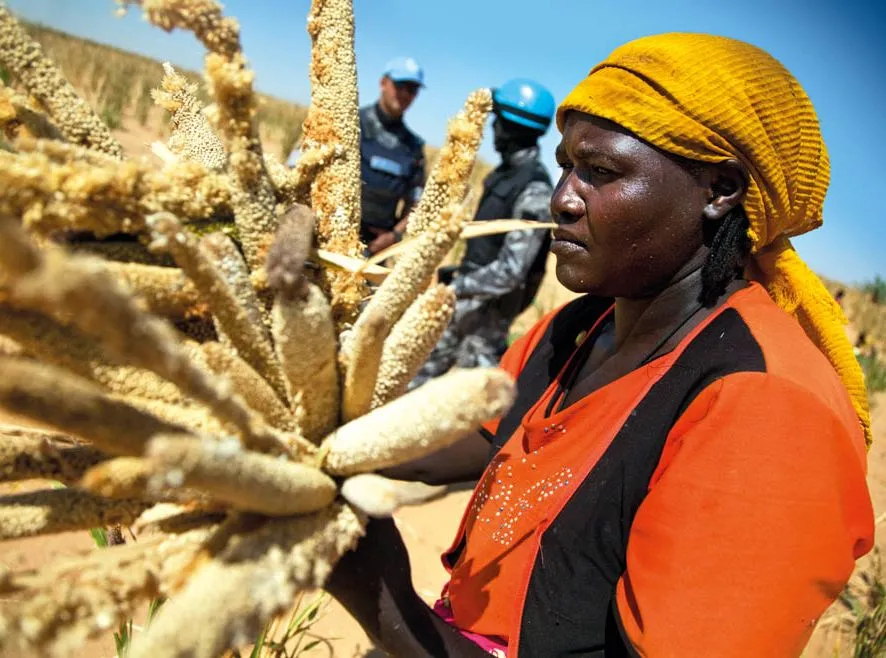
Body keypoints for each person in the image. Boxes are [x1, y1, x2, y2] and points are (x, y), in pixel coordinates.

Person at [326, 33, 875, 657]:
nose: (563, 198)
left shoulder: (765, 407)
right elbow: (481, 438)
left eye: (601, 172)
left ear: (720, 190)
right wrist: (322, 445)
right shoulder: (581, 327)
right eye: (567, 165)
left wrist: (388, 602)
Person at [412, 79, 556, 387]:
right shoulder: (505, 173)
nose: (493, 128)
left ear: (509, 128)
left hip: (485, 321)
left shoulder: (534, 188)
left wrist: (458, 286)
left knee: (465, 404)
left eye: (498, 121)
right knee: (412, 381)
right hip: (462, 303)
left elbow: (512, 271)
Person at [358, 56, 427, 255]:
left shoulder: (413, 147)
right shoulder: (352, 122)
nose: (405, 94)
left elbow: (417, 201)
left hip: (375, 248)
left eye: (412, 89)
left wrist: (395, 236)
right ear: (383, 83)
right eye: (400, 85)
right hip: (332, 235)